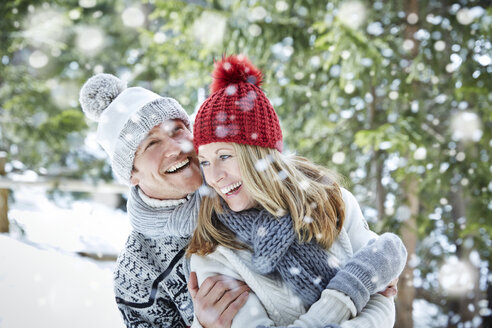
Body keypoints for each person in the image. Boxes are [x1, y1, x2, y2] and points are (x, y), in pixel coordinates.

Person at [186, 54, 407, 327]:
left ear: (259, 154)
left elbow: (383, 306)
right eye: (205, 161)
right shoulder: (215, 251)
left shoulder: (333, 203)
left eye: (225, 156)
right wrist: (349, 290)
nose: (214, 176)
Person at [79, 74, 249, 328]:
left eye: (177, 130)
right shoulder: (136, 272)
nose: (176, 148)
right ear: (132, 173)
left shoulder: (241, 185)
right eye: (152, 143)